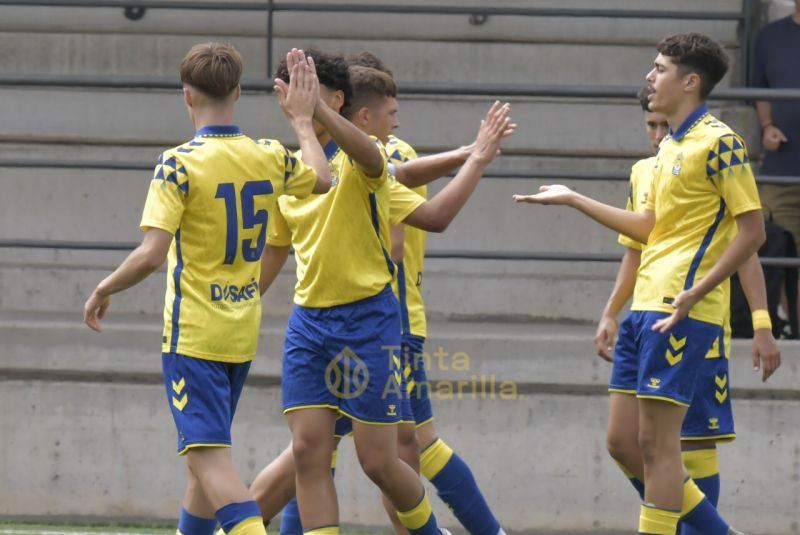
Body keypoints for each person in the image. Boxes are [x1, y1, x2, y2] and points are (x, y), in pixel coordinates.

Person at [249, 53, 512, 535]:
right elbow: (276, 250)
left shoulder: (363, 156)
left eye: (302, 90)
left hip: (368, 320)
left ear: (336, 100)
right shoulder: (289, 168)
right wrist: (240, 300)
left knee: (382, 461)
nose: (289, 101)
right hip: (308, 323)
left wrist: (315, 114)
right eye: (286, 92)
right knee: (309, 452)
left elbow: (380, 166)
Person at [514, 33, 764, 535]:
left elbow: (752, 230)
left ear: (690, 81)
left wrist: (705, 293)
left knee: (661, 446)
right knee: (622, 442)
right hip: (645, 308)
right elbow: (647, 229)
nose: (650, 77)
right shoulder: (668, 146)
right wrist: (574, 199)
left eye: (659, 68)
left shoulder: (721, 142)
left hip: (681, 309)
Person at [82, 42, 331, 535]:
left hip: (194, 335)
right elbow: (322, 179)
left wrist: (103, 287)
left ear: (186, 97)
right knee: (202, 461)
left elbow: (152, 254)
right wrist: (303, 122)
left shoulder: (178, 164)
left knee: (210, 461)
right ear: (238, 92)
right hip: (239, 332)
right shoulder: (268, 155)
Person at [596, 88, 781, 535]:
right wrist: (610, 312)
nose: (658, 135)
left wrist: (761, 323)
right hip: (649, 314)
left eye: (663, 126)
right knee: (634, 444)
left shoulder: (712, 149)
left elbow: (745, 246)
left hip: (699, 321)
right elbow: (637, 250)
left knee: (691, 444)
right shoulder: (644, 172)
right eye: (650, 127)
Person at [752, 0, 800, 250]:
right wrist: (767, 125)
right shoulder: (770, 36)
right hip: (782, 172)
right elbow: (762, 90)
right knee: (780, 257)